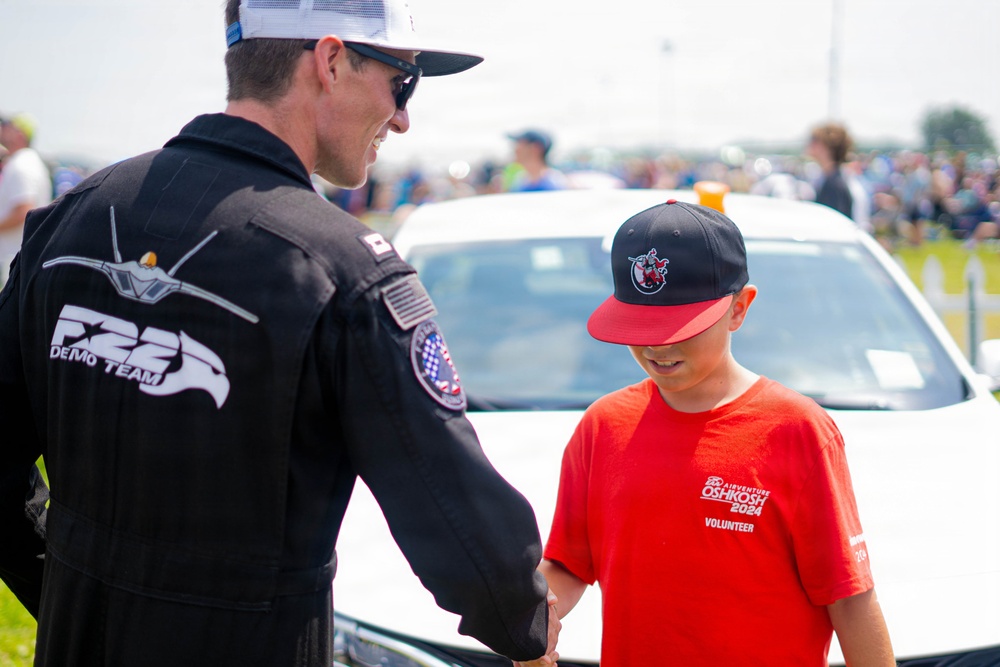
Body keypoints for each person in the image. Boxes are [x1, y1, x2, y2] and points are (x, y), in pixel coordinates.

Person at [0, 1, 560, 665]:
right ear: (328, 62)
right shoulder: (342, 269)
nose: (405, 118)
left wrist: (69, 585)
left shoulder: (75, 217)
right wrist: (526, 630)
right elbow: (461, 524)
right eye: (402, 82)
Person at [526, 198, 895, 666]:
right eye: (641, 325)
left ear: (739, 309)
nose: (659, 345)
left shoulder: (797, 430)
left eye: (681, 326)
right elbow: (568, 563)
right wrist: (532, 620)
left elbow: (849, 598)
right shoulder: (603, 427)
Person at [0, 112, 52, 284]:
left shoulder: (20, 164)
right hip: (19, 258)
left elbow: (23, 211)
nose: (2, 130)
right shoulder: (31, 162)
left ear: (20, 135)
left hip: (10, 260)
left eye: (8, 127)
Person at [807, 121, 856, 219]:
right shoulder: (832, 178)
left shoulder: (835, 184)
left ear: (826, 146)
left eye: (814, 139)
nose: (809, 143)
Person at [501, 128, 569, 192]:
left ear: (535, 148)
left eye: (519, 144)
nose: (515, 149)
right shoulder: (519, 182)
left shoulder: (555, 183)